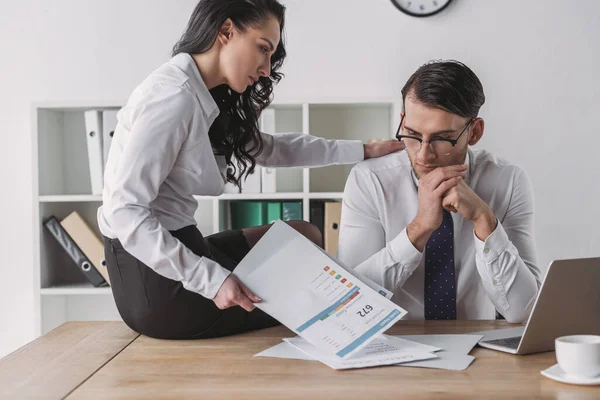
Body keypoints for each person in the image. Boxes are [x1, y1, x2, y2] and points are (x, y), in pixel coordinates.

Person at [97, 0, 403, 340]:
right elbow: (124, 211)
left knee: (305, 234)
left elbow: (271, 148)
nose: (267, 68)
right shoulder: (173, 97)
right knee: (310, 301)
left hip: (181, 241)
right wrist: (211, 280)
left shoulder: (202, 93)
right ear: (226, 31)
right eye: (263, 49)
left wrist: (361, 150)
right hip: (156, 289)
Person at [338, 60, 541, 323]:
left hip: (477, 347)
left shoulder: (508, 181)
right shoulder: (369, 180)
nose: (423, 154)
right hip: (392, 346)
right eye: (411, 134)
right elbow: (348, 303)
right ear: (402, 121)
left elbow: (523, 310)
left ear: (475, 132)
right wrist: (419, 229)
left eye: (441, 139)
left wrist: (484, 220)